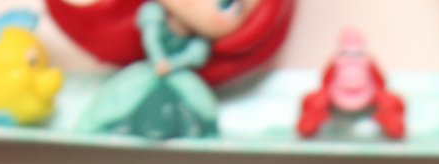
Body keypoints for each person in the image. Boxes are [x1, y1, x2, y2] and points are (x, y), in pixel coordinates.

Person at [44, 0, 296, 139]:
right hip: (153, 68)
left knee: (195, 108)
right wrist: (159, 60)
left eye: (227, 3)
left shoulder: (198, 45)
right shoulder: (153, 15)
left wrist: (172, 65)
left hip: (177, 73)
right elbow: (151, 39)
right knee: (125, 99)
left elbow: (194, 56)